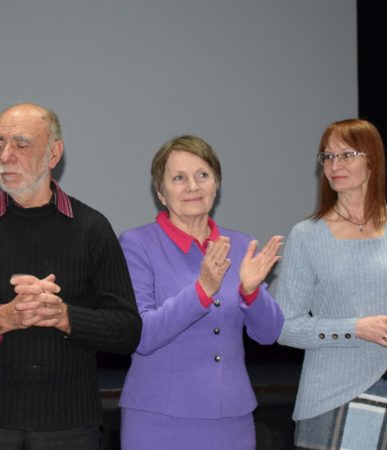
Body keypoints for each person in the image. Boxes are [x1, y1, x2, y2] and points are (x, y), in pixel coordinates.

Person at [0, 103, 142, 450]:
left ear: (54, 154)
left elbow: (127, 330)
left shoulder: (92, 228)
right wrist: (2, 318)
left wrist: (64, 316)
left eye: (21, 144)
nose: (5, 156)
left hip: (68, 423)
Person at [275, 118, 387, 449]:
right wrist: (355, 329)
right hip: (332, 397)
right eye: (327, 156)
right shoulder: (306, 235)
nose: (334, 165)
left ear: (373, 160)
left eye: (347, 155)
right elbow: (285, 327)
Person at [118, 135, 285, 450]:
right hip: (158, 420)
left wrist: (252, 293)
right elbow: (142, 335)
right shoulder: (137, 244)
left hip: (231, 421)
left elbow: (269, 334)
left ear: (216, 184)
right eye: (178, 178)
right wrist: (202, 290)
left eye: (202, 175)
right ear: (161, 193)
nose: (192, 186)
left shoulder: (240, 245)